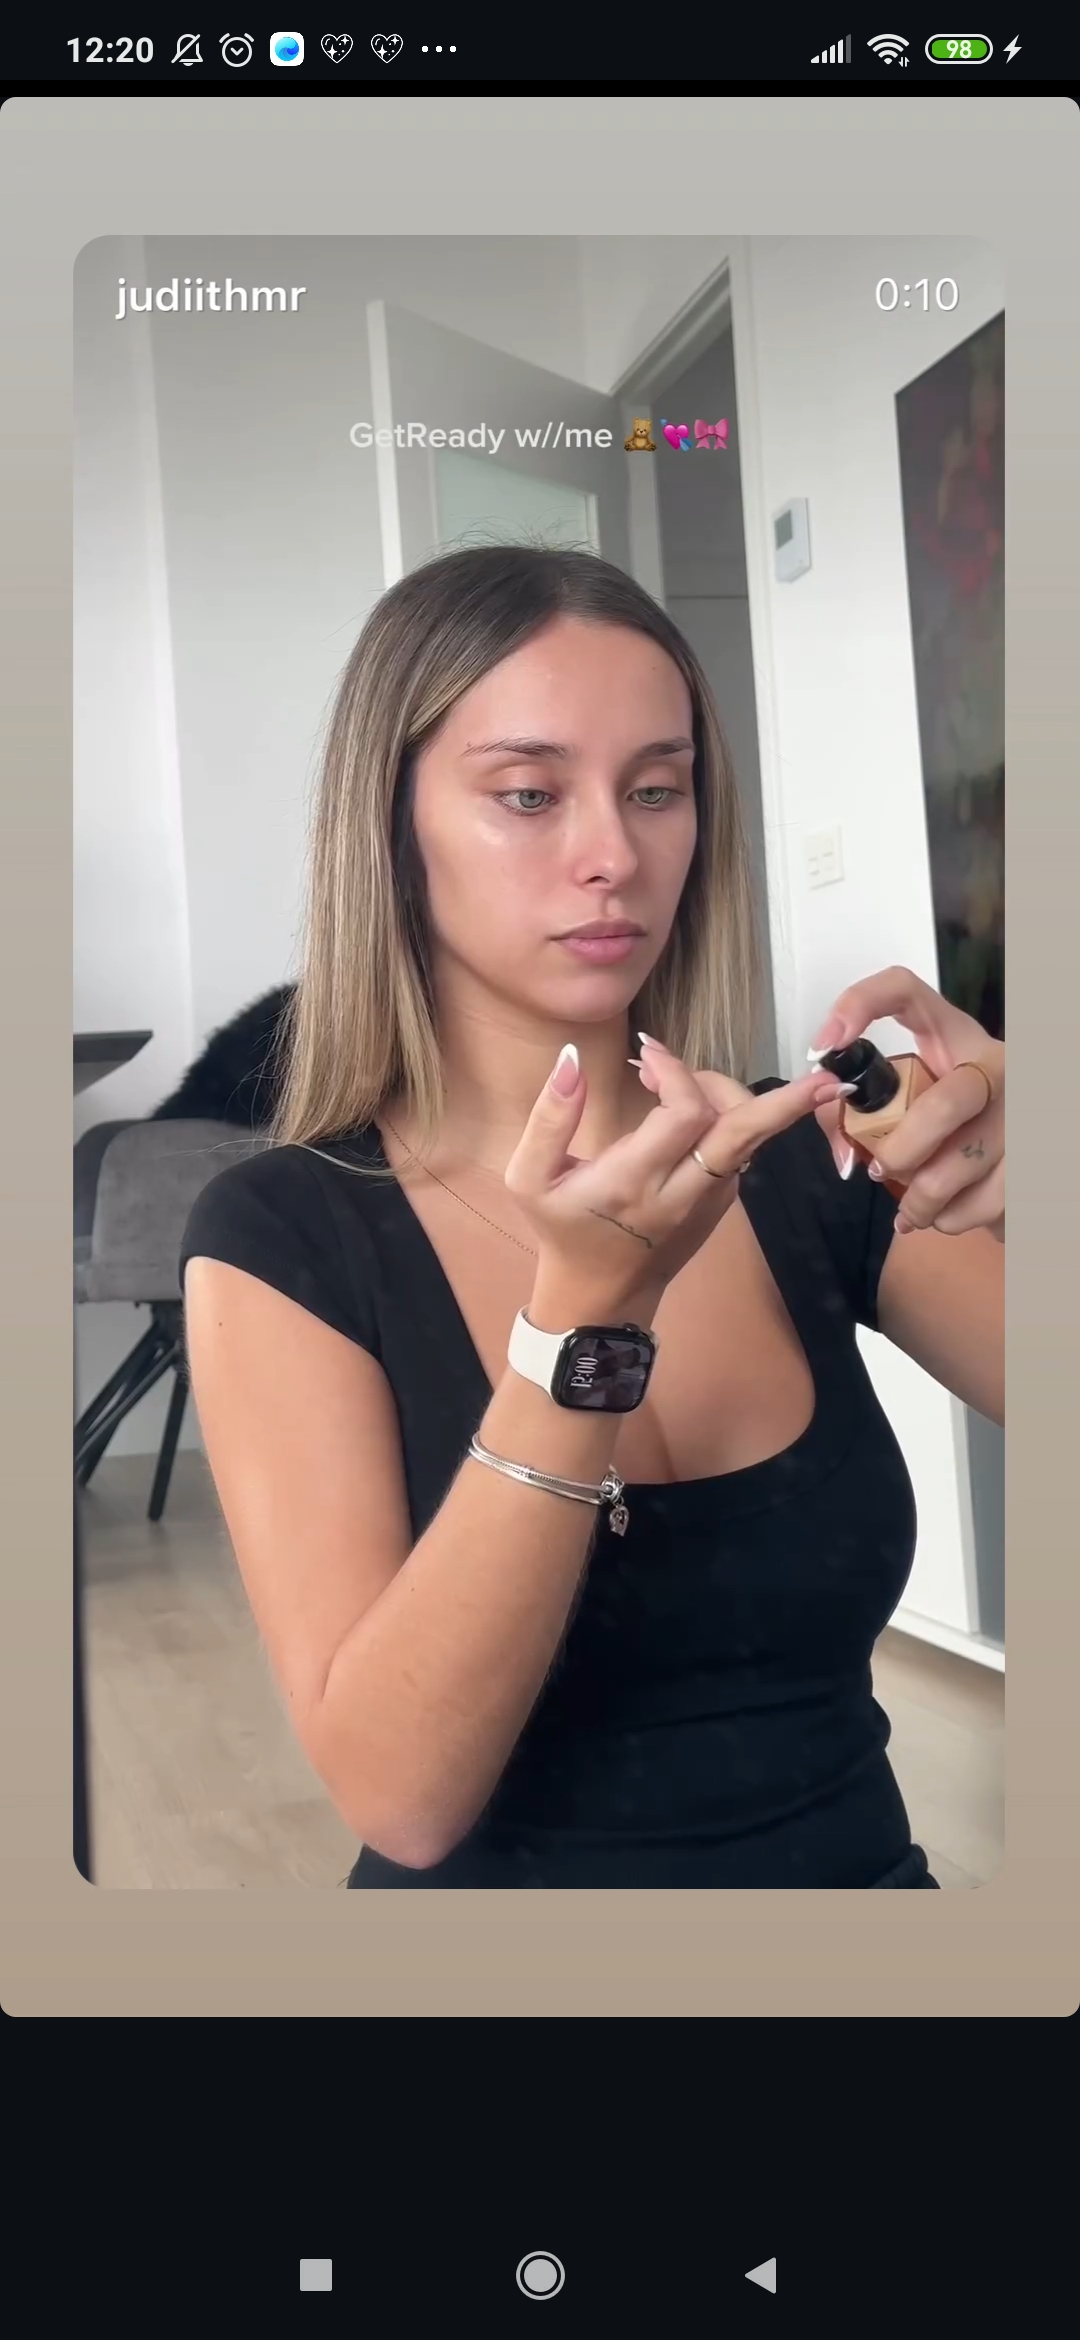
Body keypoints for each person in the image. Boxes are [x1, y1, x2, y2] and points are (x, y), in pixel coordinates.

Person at [180, 545, 1005, 1889]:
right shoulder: (282, 1236)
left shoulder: (809, 1159)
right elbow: (403, 1798)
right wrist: (583, 1330)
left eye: (658, 790)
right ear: (391, 829)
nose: (615, 855)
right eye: (528, 794)